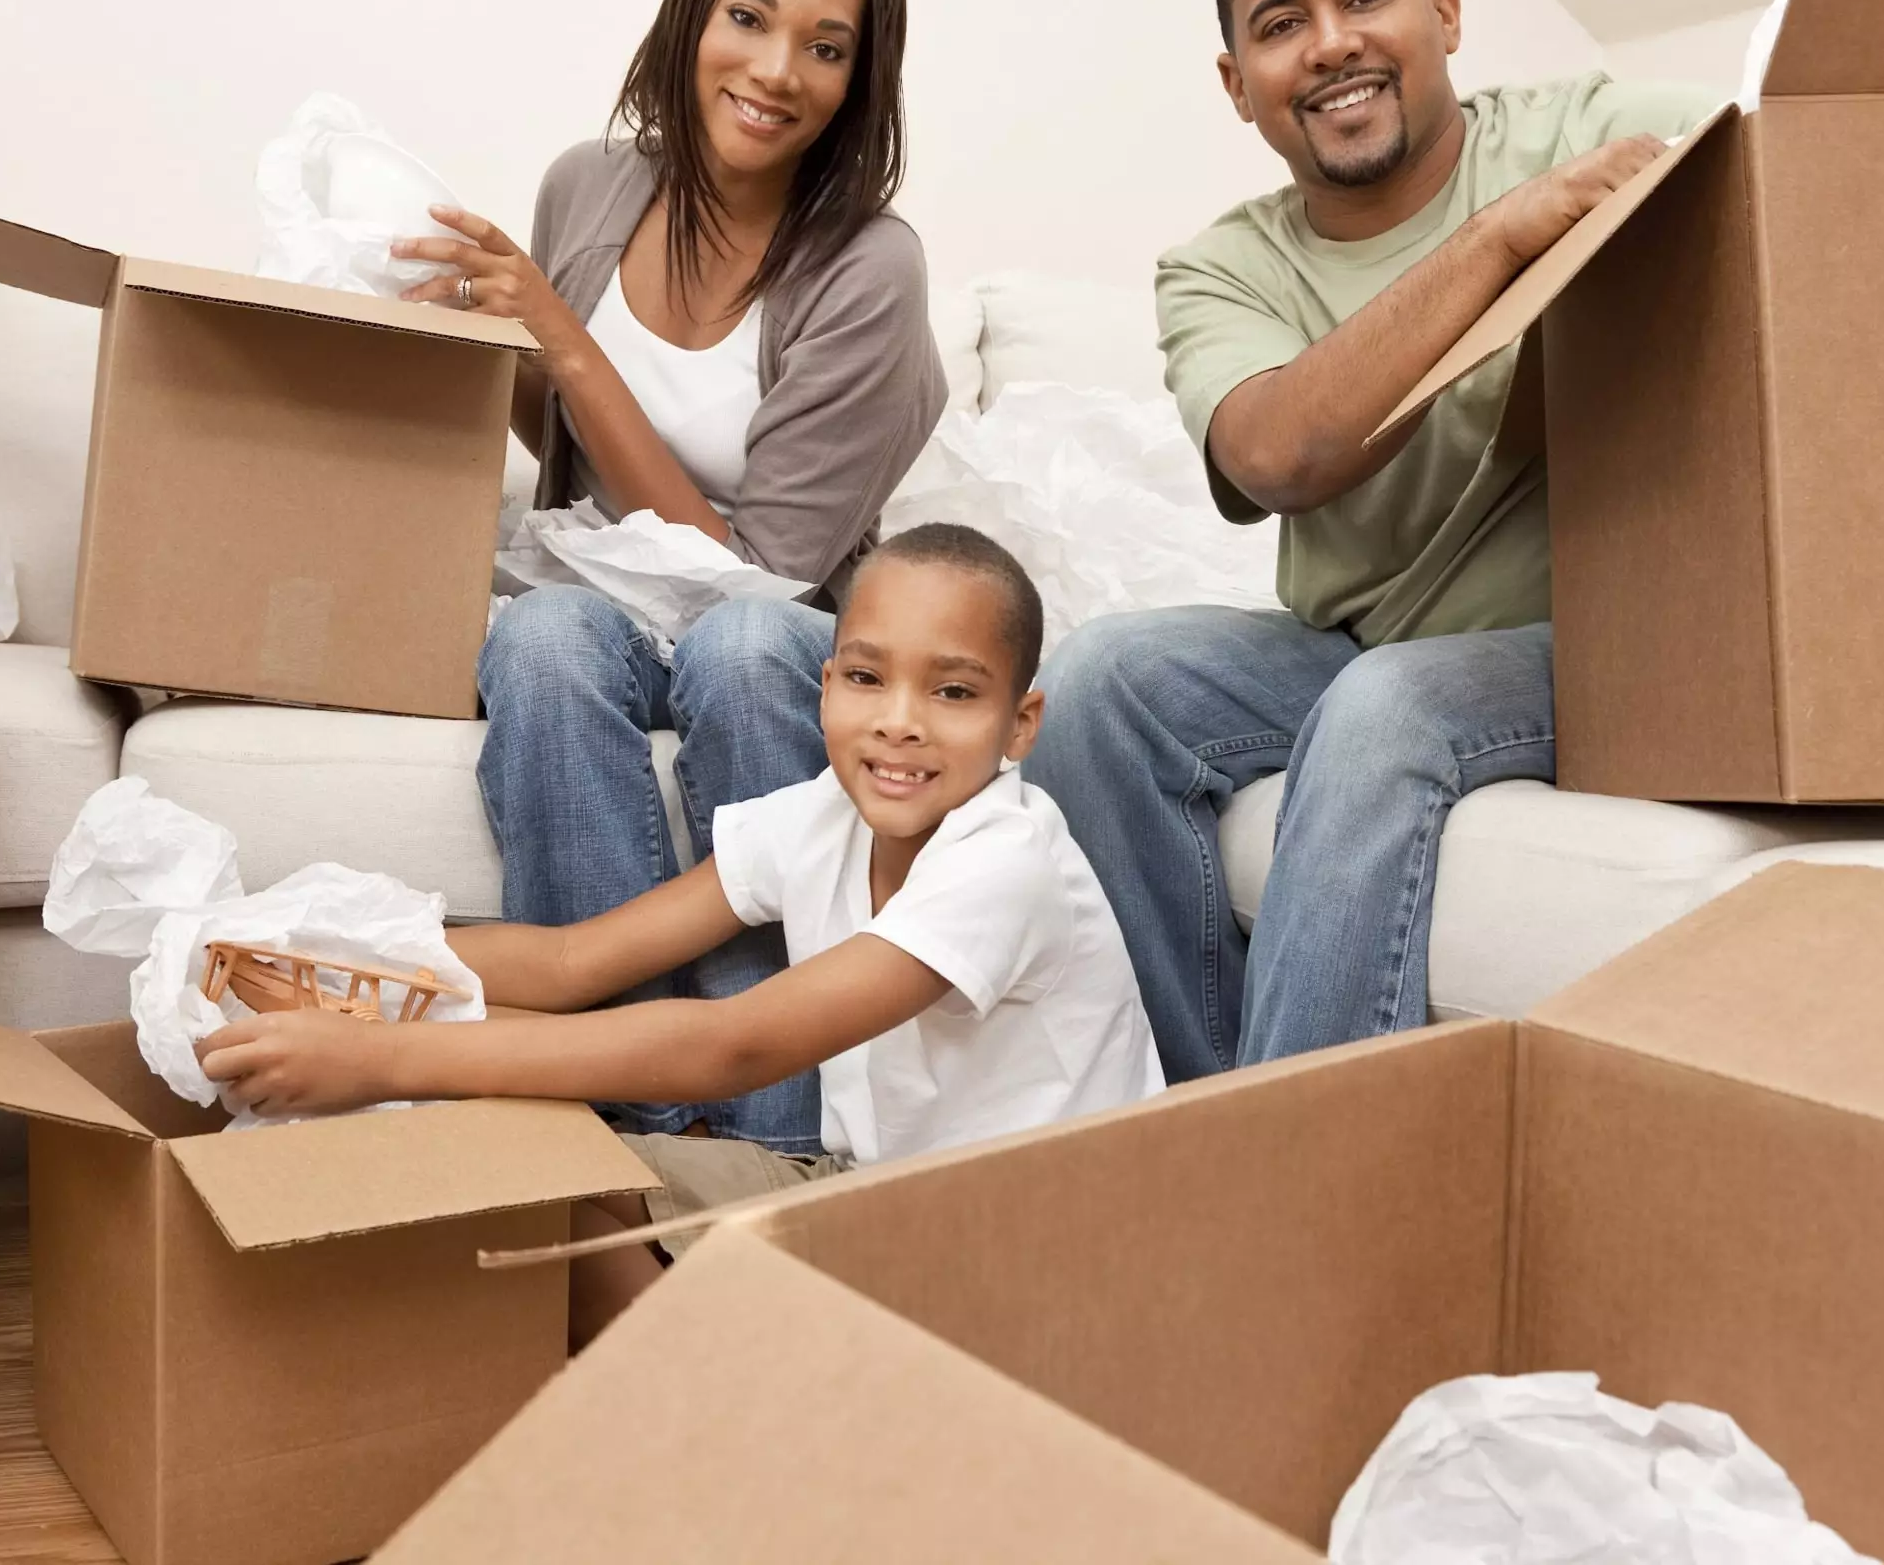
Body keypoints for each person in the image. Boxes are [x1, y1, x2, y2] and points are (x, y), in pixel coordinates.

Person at [1024, 0, 1720, 1081]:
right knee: (1100, 682)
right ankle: (1201, 1119)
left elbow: (1815, 178)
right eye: (1282, 25)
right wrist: (1500, 236)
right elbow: (1273, 452)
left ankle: (1286, 1186)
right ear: (1239, 85)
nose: (1333, 44)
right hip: (1357, 636)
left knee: (1385, 710)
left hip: (1587, 642)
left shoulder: (1590, 130)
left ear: (1443, 12)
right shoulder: (1218, 269)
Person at [197, 524, 1163, 1344]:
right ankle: (712, 1408)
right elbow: (575, 960)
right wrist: (337, 956)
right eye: (867, 678)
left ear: (1020, 721)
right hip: (873, 1190)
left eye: (953, 693)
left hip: (1026, 1257)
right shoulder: (825, 813)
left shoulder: (1007, 859)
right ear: (826, 685)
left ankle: (726, 1432)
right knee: (536, 1184)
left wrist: (384, 1059)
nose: (898, 724)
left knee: (522, 1171)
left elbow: (728, 1046)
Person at [389, 0, 946, 1156]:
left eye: (826, 46)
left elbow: (764, 575)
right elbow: (559, 453)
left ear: (861, 82)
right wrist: (480, 349)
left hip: (777, 619)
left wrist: (567, 348)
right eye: (748, 18)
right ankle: (623, 1127)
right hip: (600, 598)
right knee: (539, 642)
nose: (775, 70)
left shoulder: (870, 265)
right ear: (693, 12)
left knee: (741, 656)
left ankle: (775, 1136)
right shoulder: (586, 188)